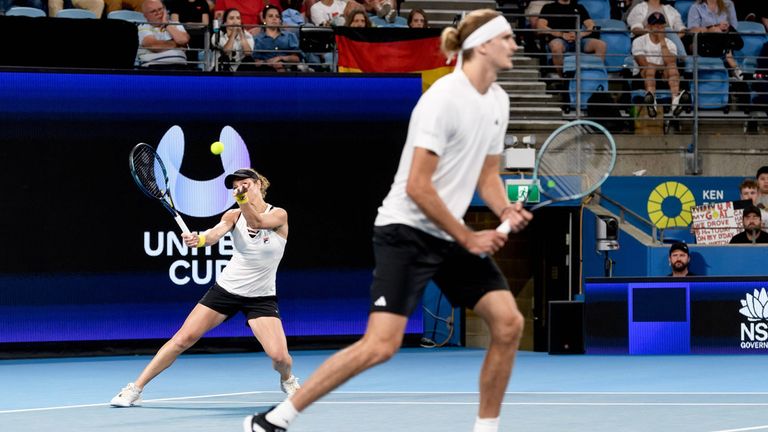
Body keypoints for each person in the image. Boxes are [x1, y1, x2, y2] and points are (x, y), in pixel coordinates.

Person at [243, 9, 532, 432]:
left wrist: (504, 207)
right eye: (507, 37)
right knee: (381, 345)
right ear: (484, 44)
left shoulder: (498, 100)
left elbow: (487, 175)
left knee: (508, 323)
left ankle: (486, 428)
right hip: (407, 232)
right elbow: (418, 185)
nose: (515, 44)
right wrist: (469, 237)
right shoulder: (443, 99)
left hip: (448, 233)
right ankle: (276, 418)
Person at [111, 168, 300, 407]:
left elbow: (258, 221)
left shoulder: (279, 215)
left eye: (244, 184)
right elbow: (212, 236)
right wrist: (198, 240)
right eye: (235, 186)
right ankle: (134, 388)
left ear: (258, 184)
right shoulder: (233, 216)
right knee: (182, 339)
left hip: (261, 297)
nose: (239, 188)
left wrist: (242, 200)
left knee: (280, 357)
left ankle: (287, 379)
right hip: (226, 291)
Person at [632, 12, 691, 117]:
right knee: (650, 68)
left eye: (661, 24)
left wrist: (662, 41)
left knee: (672, 67)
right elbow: (643, 63)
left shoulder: (670, 43)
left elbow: (671, 62)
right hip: (643, 77)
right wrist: (661, 67)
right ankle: (651, 100)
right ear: (649, 26)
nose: (658, 27)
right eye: (655, 24)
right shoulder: (638, 41)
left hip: (664, 77)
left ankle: (675, 101)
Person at [536, 0, 607, 77]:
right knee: (556, 47)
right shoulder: (548, 7)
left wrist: (580, 34)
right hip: (559, 39)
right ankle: (563, 79)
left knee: (601, 45)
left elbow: (591, 25)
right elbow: (540, 27)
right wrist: (561, 34)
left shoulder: (579, 7)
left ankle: (596, 75)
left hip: (578, 40)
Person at [687, 0, 743, 79]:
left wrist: (725, 27)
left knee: (724, 34)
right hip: (705, 42)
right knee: (717, 32)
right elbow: (692, 31)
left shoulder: (728, 4)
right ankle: (732, 64)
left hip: (725, 39)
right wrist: (710, 29)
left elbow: (733, 28)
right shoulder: (696, 7)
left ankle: (729, 60)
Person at [137, 0, 191, 69]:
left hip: (180, 67)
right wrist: (177, 44)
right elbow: (153, 46)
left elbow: (183, 40)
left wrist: (166, 25)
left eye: (160, 9)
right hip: (153, 68)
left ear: (165, 9)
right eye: (153, 11)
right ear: (145, 15)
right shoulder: (143, 27)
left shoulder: (176, 24)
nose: (158, 13)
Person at [253, 5, 302, 71]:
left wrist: (281, 58)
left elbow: (297, 59)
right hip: (266, 71)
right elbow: (256, 62)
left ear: (280, 20)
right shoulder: (257, 39)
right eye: (270, 16)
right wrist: (269, 63)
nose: (274, 18)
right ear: (264, 20)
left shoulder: (290, 36)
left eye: (277, 16)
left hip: (288, 69)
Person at [166, 0, 211, 65]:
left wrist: (191, 24)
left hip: (199, 36)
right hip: (182, 34)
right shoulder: (176, 3)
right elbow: (175, 22)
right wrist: (186, 25)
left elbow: (205, 23)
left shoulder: (203, 3)